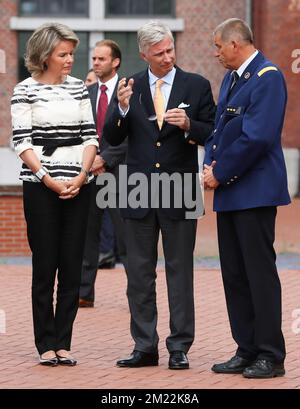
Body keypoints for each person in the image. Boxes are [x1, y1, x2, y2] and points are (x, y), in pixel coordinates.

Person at [104, 21, 215, 369]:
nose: (167, 57)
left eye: (170, 50)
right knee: (138, 273)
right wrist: (120, 109)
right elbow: (111, 136)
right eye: (159, 53)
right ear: (144, 55)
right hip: (137, 191)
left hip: (180, 189)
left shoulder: (196, 85)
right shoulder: (129, 86)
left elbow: (212, 132)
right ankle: (144, 346)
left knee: (180, 272)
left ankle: (179, 347)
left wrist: (189, 127)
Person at [204, 18, 290, 378]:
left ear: (236, 44)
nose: (216, 52)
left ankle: (271, 355)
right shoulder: (232, 78)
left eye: (218, 46)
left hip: (254, 191)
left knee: (259, 274)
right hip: (230, 192)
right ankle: (246, 348)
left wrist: (220, 172)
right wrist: (209, 163)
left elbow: (257, 137)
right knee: (235, 276)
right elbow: (219, 128)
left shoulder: (268, 77)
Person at [10, 23, 98, 366]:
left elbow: (91, 137)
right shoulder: (24, 90)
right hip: (40, 189)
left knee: (72, 267)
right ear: (44, 55)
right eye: (63, 54)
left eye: (71, 53)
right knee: (45, 265)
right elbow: (22, 142)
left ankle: (64, 342)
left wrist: (81, 175)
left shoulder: (79, 89)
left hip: (79, 186)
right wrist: (47, 179)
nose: (69, 60)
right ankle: (45, 343)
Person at [79, 40, 127, 308]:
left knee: (126, 237)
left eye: (101, 59)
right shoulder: (87, 93)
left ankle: (137, 293)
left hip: (121, 174)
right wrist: (90, 161)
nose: (95, 63)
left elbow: (134, 135)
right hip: (90, 173)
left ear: (115, 61)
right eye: (94, 59)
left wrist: (105, 159)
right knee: (88, 233)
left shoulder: (131, 90)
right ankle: (84, 292)